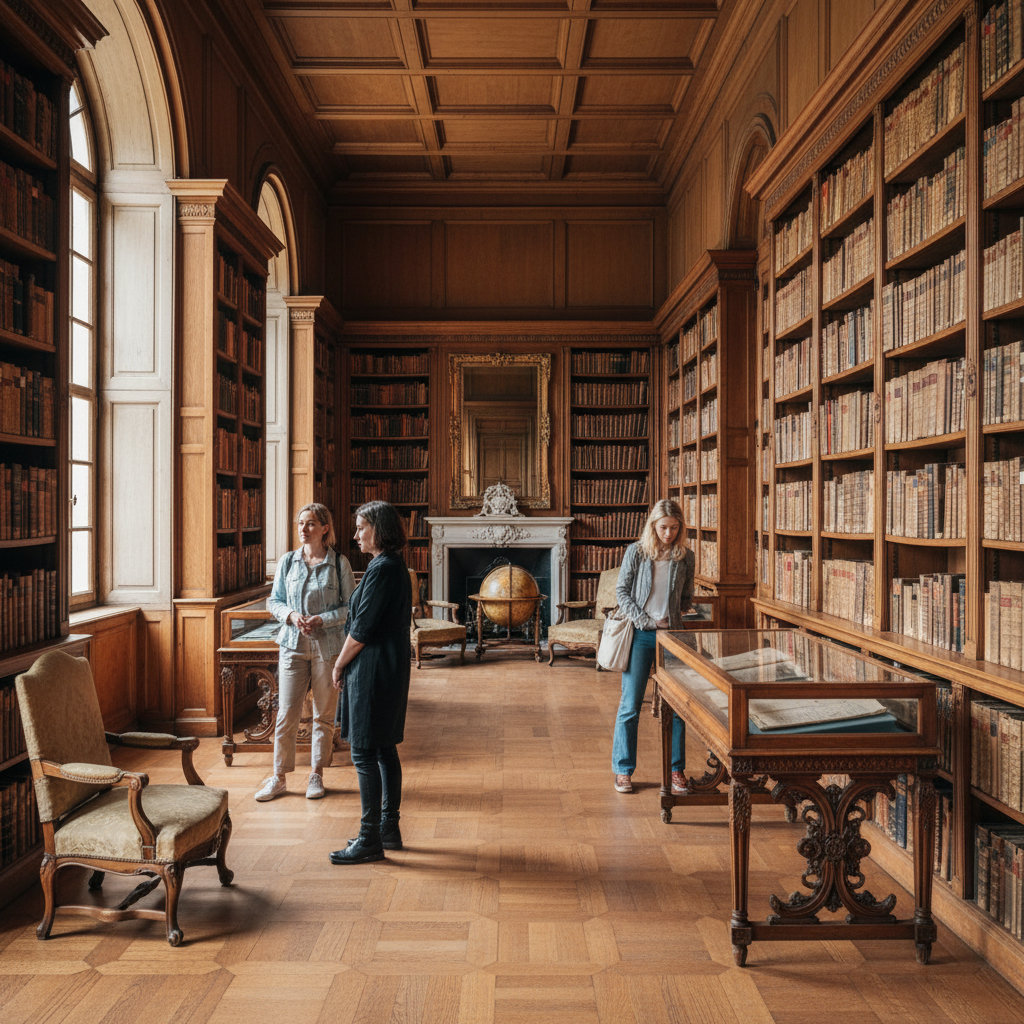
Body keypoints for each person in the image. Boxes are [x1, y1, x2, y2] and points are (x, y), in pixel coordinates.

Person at [329, 500, 412, 865]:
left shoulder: (383, 569)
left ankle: (369, 838)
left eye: (362, 527)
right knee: (383, 750)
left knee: (364, 751)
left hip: (373, 671)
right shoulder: (391, 566)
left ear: (379, 528)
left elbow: (361, 630)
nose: (355, 534)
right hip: (387, 668)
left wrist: (338, 663)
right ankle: (387, 829)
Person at [257, 503, 355, 802]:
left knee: (323, 715)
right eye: (300, 523)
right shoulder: (288, 562)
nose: (303, 529)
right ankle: (279, 777)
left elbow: (351, 607)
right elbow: (273, 602)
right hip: (292, 645)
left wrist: (322, 619)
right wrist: (291, 616)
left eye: (310, 523)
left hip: (327, 647)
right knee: (286, 713)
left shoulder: (339, 563)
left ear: (325, 528)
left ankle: (317, 774)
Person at [611, 498, 694, 794]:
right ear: (652, 525)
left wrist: (675, 613)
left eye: (674, 528)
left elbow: (687, 595)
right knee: (630, 704)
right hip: (640, 635)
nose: (668, 534)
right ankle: (623, 770)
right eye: (663, 527)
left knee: (676, 706)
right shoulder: (636, 552)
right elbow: (622, 591)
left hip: (673, 637)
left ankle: (676, 771)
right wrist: (646, 620)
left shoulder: (685, 556)